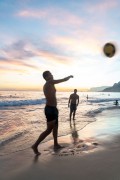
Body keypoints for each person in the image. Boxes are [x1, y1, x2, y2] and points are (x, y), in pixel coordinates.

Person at [32, 71, 73, 155]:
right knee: (48, 130)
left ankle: (56, 144)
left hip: (54, 108)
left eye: (51, 74)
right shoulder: (49, 82)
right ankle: (35, 145)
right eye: (50, 75)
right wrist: (68, 77)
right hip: (50, 109)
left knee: (56, 127)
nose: (52, 75)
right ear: (46, 77)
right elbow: (62, 80)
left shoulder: (51, 84)